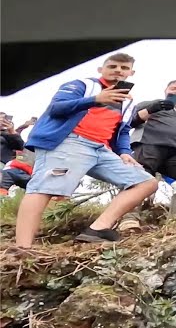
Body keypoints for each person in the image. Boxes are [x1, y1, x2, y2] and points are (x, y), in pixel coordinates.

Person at [14, 52, 158, 247]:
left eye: (124, 68)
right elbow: (56, 108)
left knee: (145, 182)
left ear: (131, 73)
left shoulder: (127, 100)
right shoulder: (83, 85)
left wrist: (124, 151)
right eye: (113, 66)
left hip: (102, 149)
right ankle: (22, 248)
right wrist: (95, 99)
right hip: (69, 142)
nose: (118, 70)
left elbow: (122, 130)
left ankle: (98, 229)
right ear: (101, 69)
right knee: (43, 188)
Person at [131, 78, 176, 218]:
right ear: (166, 90)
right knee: (137, 179)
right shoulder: (149, 104)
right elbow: (130, 122)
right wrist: (152, 109)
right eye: (174, 88)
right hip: (149, 147)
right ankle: (129, 219)